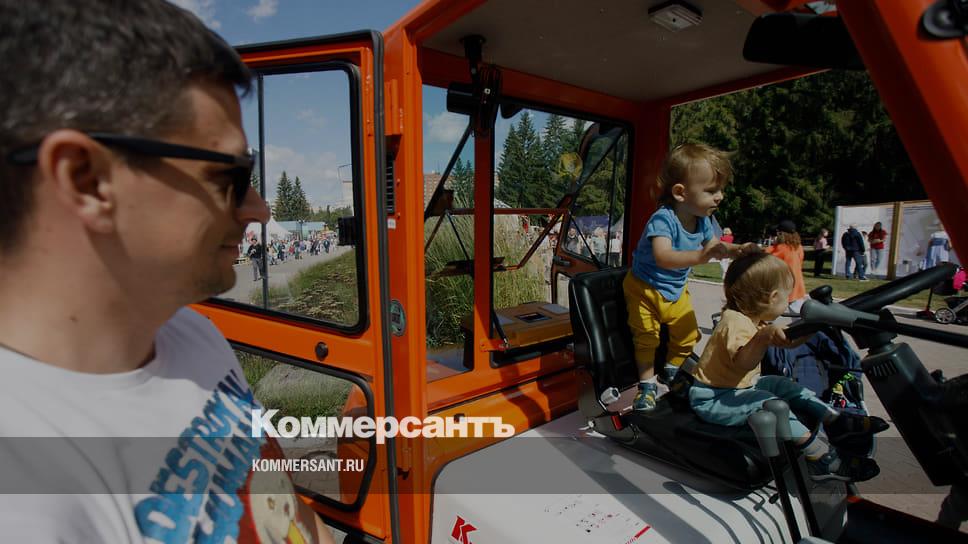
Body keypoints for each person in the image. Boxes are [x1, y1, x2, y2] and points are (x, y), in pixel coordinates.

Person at [0, 2, 335, 542]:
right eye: (231, 176)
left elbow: (289, 517)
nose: (258, 210)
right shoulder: (25, 498)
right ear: (86, 180)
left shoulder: (192, 335)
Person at [689, 253, 887, 481]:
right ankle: (820, 458)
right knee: (768, 402)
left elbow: (790, 342)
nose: (788, 302)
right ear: (773, 297)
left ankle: (836, 420)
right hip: (712, 398)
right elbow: (743, 362)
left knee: (782, 384)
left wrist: (815, 325)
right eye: (787, 297)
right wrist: (763, 337)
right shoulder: (734, 322)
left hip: (738, 387)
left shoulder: (755, 321)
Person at [624, 143, 758, 411]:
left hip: (675, 289)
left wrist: (737, 250)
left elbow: (715, 246)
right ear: (680, 193)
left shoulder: (703, 221)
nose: (719, 197)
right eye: (711, 190)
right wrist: (700, 256)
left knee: (688, 335)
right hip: (644, 289)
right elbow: (663, 256)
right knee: (647, 339)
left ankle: (670, 370)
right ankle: (646, 386)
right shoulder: (663, 220)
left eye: (720, 190)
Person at [766, 219, 807, 312]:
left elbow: (766, 261)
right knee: (798, 317)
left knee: (769, 316)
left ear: (781, 234)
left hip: (784, 289)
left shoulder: (780, 248)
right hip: (798, 288)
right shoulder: (798, 247)